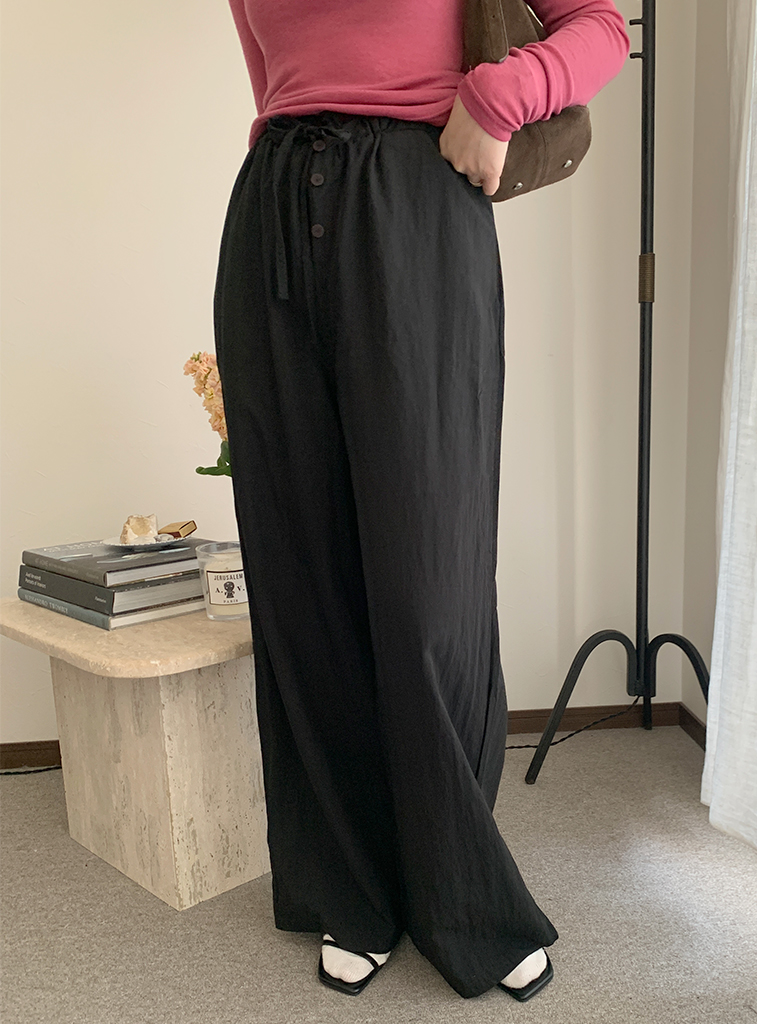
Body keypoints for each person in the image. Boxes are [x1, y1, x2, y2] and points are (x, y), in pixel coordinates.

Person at [214, 0, 629, 1003]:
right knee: (303, 578)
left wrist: (499, 96)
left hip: (411, 205)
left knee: (426, 583)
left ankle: (461, 893)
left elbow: (601, 27)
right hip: (272, 213)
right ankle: (350, 887)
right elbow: (274, 80)